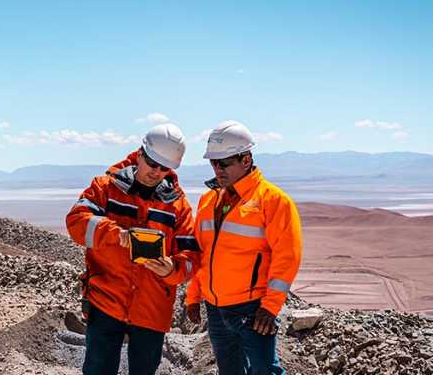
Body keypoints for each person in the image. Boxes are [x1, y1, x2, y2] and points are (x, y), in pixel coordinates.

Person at [66, 123, 199, 375]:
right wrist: (117, 234)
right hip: (107, 302)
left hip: (152, 309)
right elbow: (75, 223)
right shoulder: (105, 188)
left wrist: (172, 269)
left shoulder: (178, 206)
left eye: (164, 168)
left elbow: (191, 257)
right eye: (152, 163)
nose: (156, 172)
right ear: (140, 153)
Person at [184, 120, 303, 375]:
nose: (217, 169)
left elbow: (287, 257)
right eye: (213, 163)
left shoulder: (273, 201)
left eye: (224, 162)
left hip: (252, 310)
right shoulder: (208, 201)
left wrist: (270, 307)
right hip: (215, 309)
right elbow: (202, 254)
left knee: (263, 371)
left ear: (246, 159)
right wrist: (193, 296)